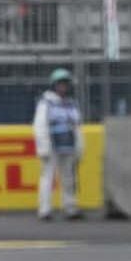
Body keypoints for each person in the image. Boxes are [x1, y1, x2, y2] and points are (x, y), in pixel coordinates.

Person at [32, 68, 82, 220]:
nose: (63, 87)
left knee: (69, 177)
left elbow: (77, 126)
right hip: (52, 145)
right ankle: (45, 210)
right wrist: (44, 146)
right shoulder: (46, 102)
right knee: (47, 177)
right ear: (54, 85)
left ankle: (70, 208)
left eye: (66, 84)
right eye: (60, 83)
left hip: (68, 145)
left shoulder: (71, 104)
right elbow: (40, 125)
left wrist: (79, 147)